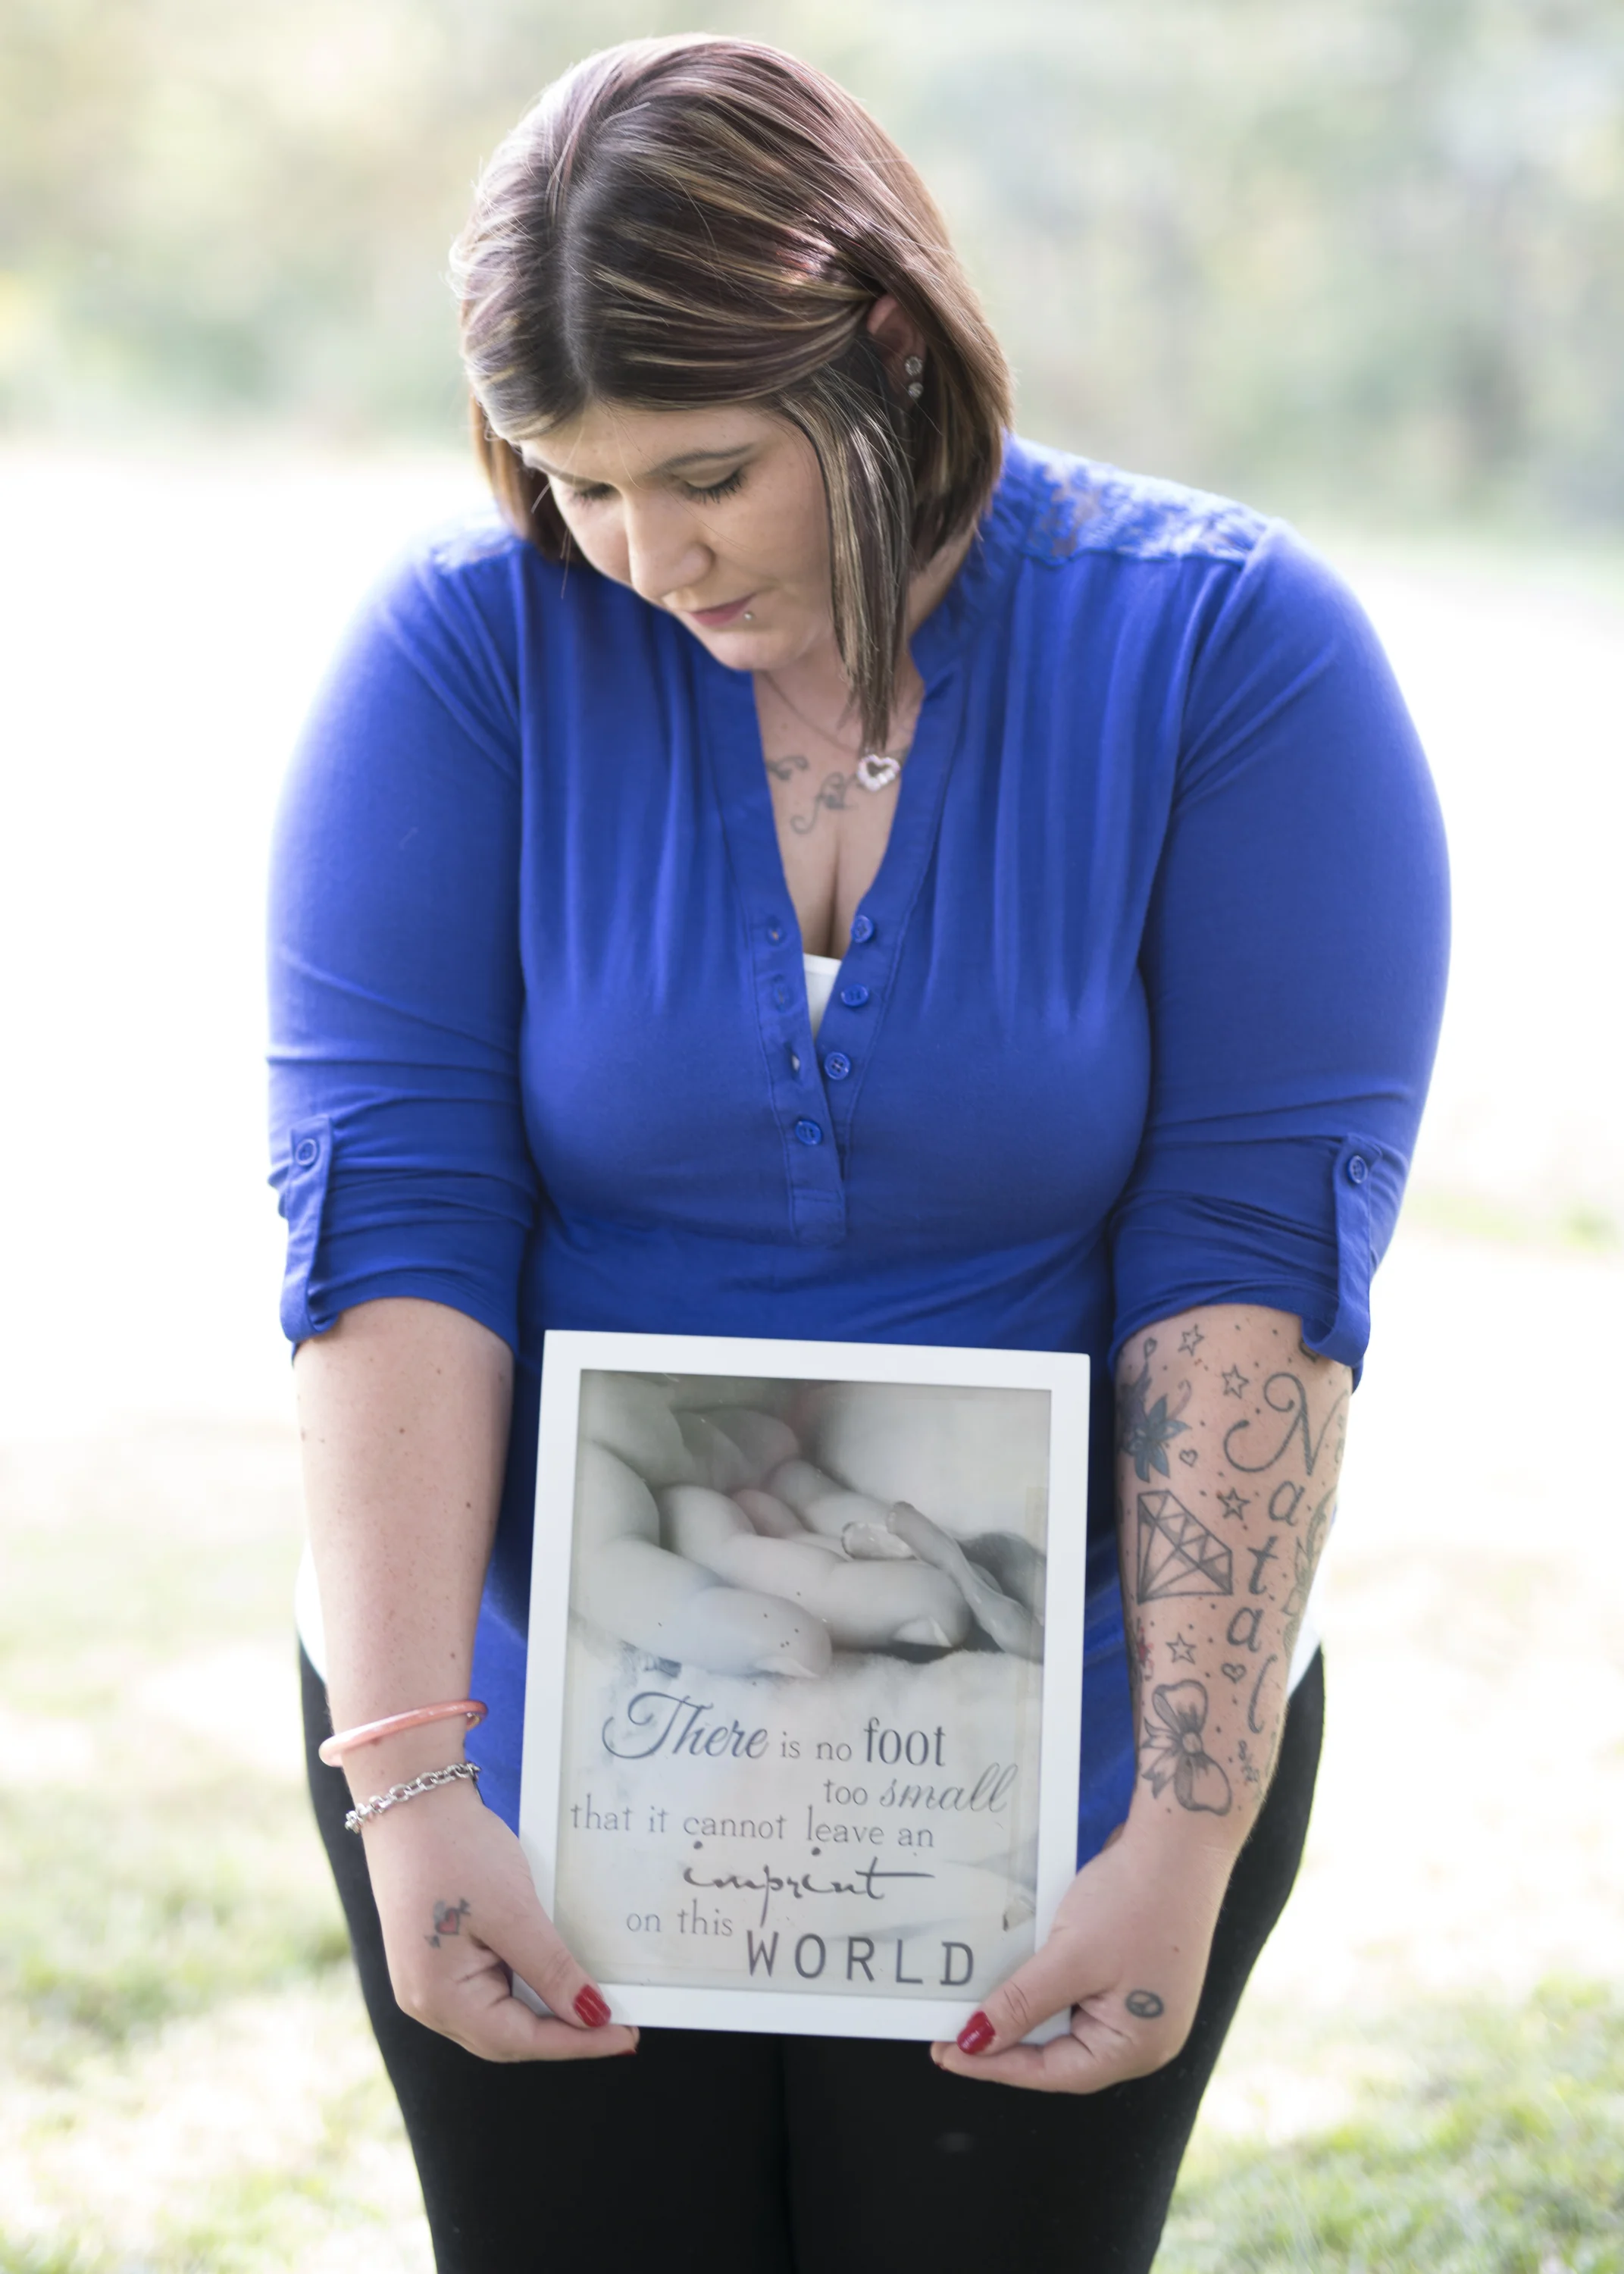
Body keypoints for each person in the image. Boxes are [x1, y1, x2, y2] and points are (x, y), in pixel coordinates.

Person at [268, 33, 1448, 2274]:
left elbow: (1254, 1260)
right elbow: (390, 1227)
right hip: (506, 1728)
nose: (647, 555)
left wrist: (1182, 1831)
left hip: (1082, 1749)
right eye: (577, 483)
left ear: (887, 345)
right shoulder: (463, 655)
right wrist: (412, 1784)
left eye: (707, 470)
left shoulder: (1229, 649)